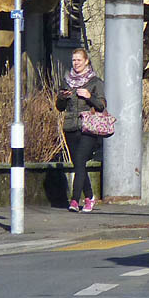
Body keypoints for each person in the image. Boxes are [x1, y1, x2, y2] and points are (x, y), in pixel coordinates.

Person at [55, 48, 107, 213]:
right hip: (70, 127)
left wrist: (88, 96)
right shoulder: (67, 81)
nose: (75, 63)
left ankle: (74, 200)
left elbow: (101, 105)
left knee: (79, 161)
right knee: (78, 164)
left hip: (88, 128)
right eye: (74, 60)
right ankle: (90, 197)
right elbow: (60, 107)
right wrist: (62, 97)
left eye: (78, 60)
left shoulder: (95, 82)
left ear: (86, 61)